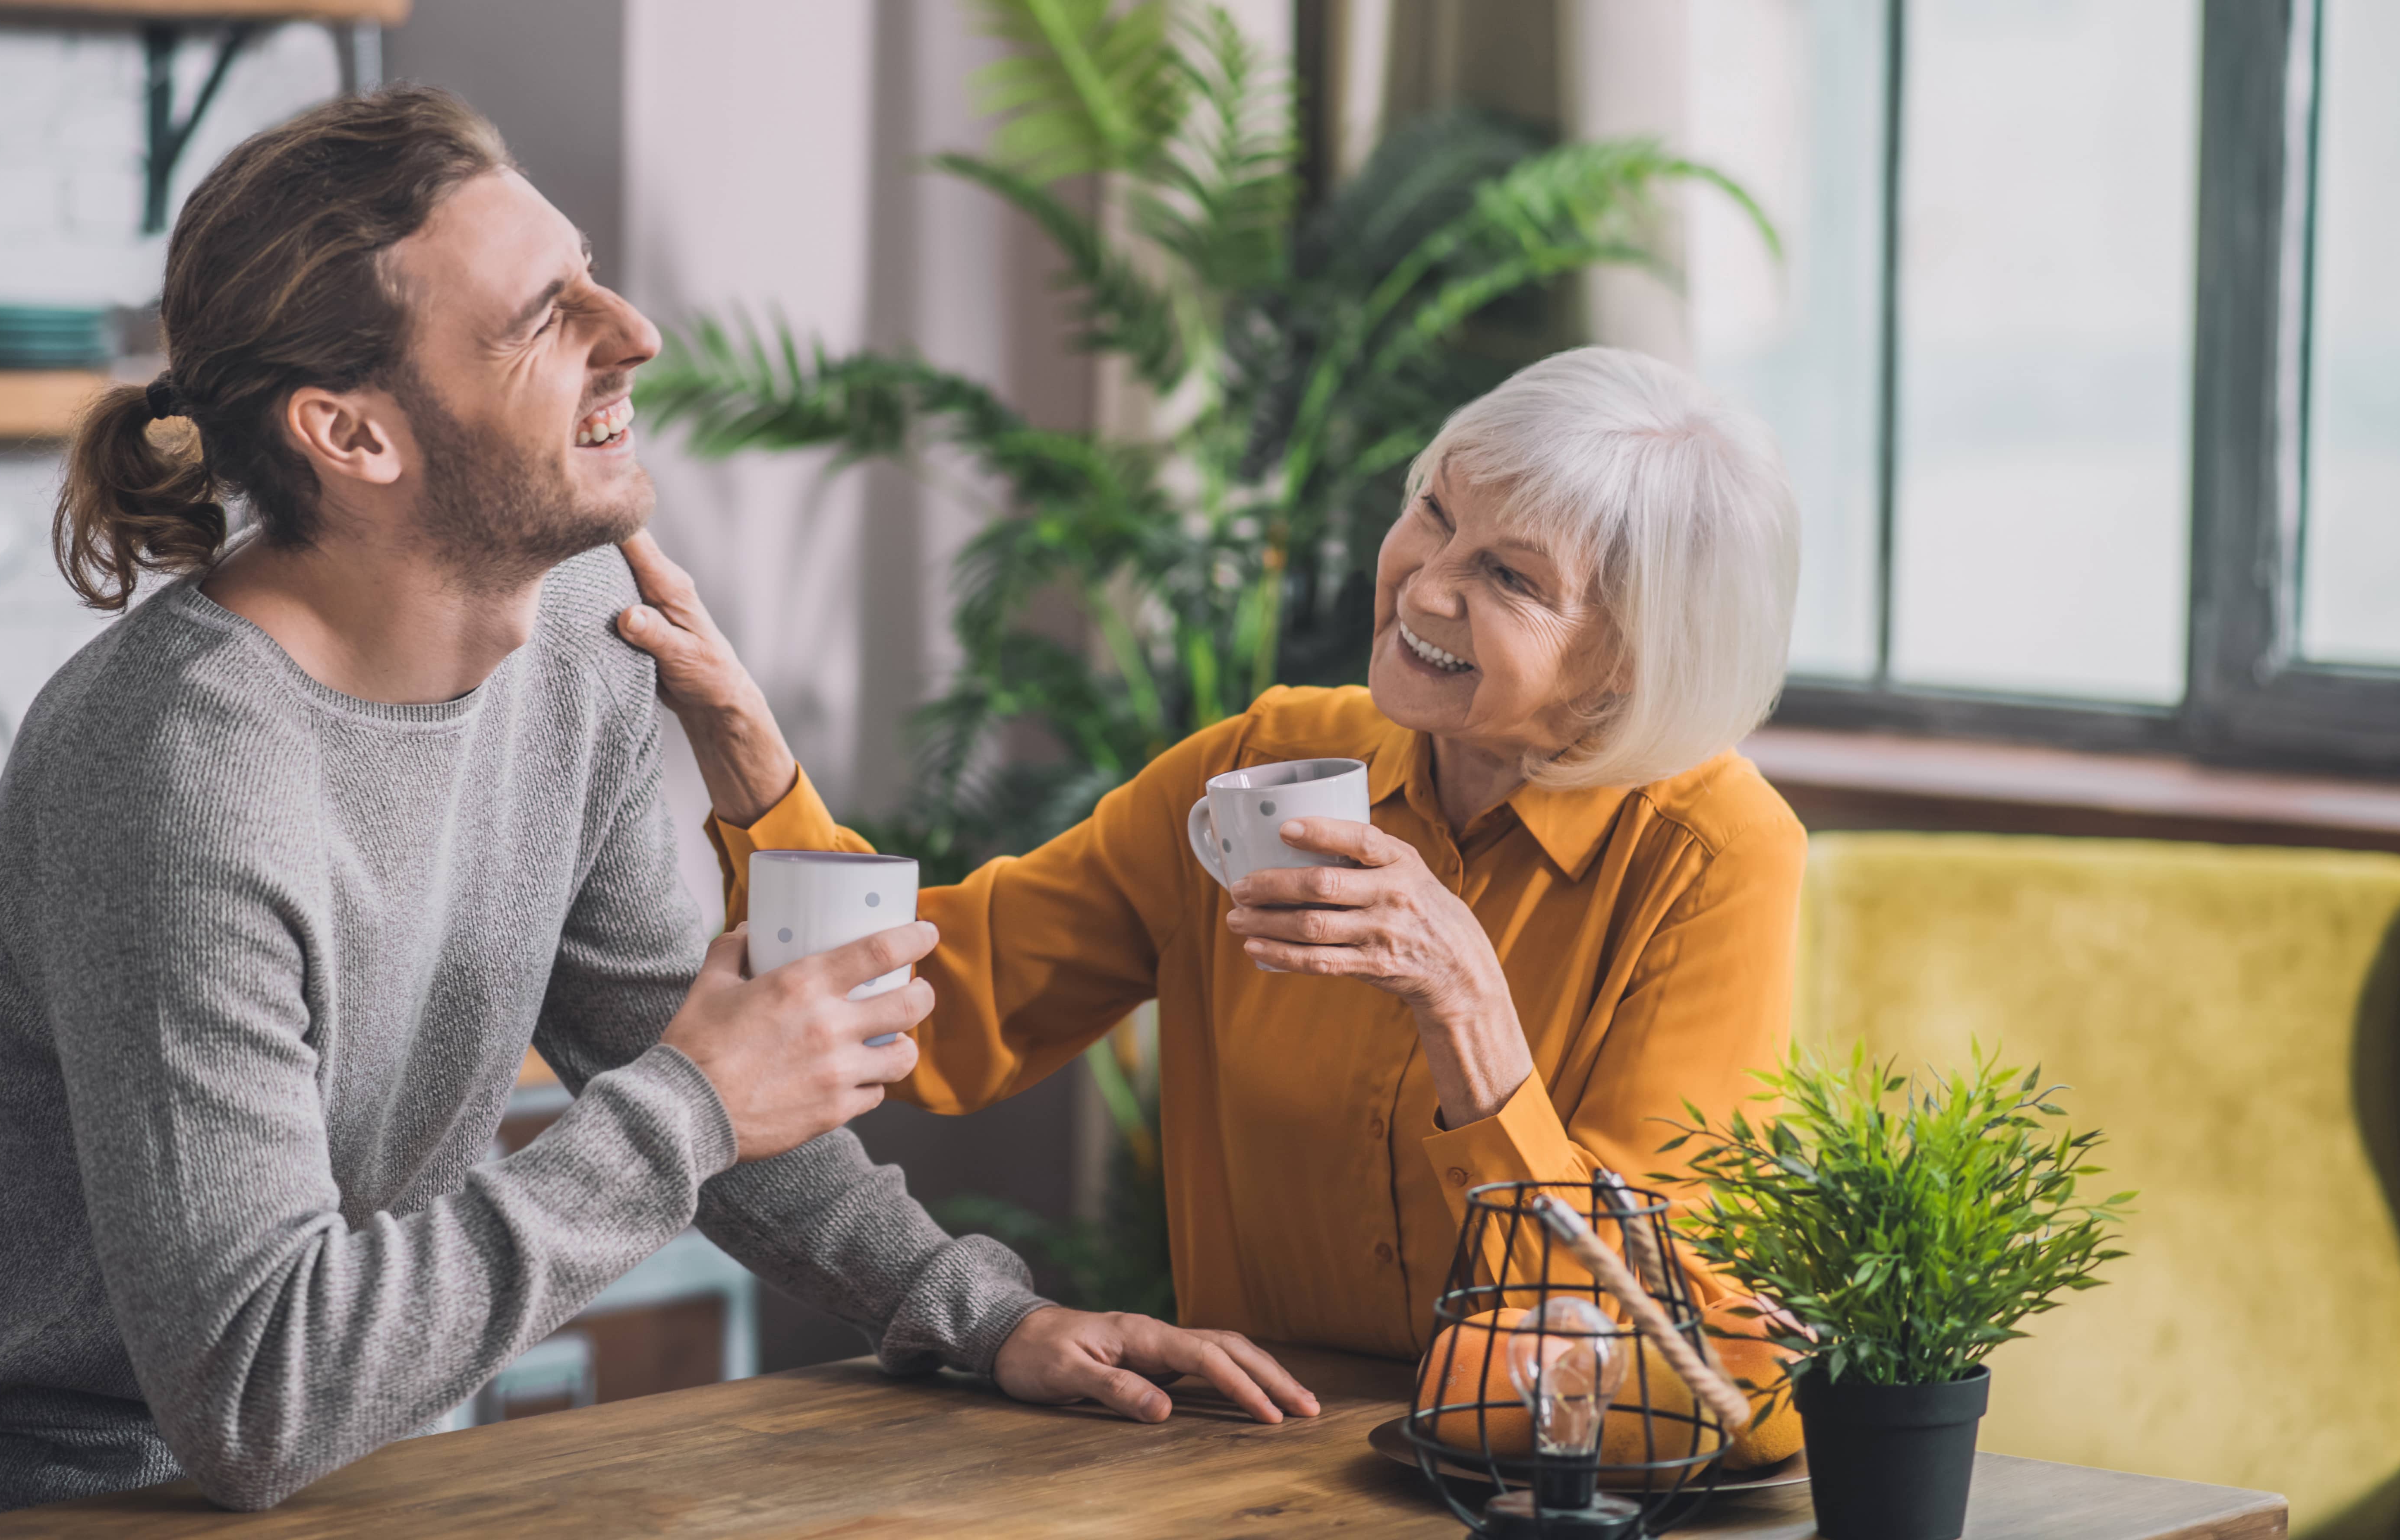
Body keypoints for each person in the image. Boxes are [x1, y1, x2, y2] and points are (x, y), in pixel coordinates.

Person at [0, 85, 1311, 1529]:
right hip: (94, 1504)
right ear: (352, 435)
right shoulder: (182, 776)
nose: (635, 335)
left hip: (381, 1472)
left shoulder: (574, 637)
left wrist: (977, 1314)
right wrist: (692, 1105)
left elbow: (653, 1028)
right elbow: (259, 1393)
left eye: (591, 276)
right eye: (544, 317)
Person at [621, 345, 1807, 1371]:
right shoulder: (1267, 766)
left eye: (1511, 577)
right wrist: (750, 762)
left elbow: (1641, 1323)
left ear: (1630, 664)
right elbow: (937, 1011)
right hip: (1253, 1455)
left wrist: (1466, 1005)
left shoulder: (1715, 861)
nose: (1425, 584)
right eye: (1436, 513)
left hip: (1558, 1491)